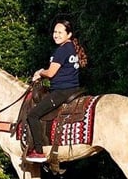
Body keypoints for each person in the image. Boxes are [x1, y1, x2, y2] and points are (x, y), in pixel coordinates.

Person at [24, 19, 88, 163]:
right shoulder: (71, 47)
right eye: (55, 32)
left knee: (33, 114)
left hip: (61, 91)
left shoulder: (62, 50)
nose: (56, 35)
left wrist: (40, 72)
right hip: (73, 89)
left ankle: (38, 151)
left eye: (60, 32)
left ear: (69, 34)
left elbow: (51, 73)